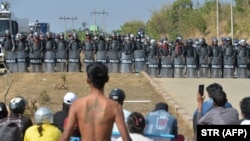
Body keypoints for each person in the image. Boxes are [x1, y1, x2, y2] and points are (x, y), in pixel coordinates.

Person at [60, 62, 132, 141]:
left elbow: (65, 137)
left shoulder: (77, 105)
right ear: (107, 79)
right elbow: (126, 138)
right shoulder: (114, 107)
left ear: (87, 79)